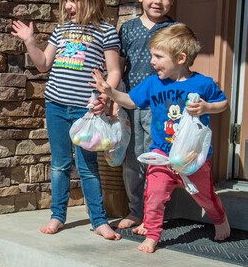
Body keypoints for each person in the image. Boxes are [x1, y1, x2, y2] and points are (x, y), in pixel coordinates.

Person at [91, 24, 231, 253]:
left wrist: (207, 107)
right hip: (161, 154)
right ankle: (153, 235)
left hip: (192, 156)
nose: (152, 61)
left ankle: (219, 219)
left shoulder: (203, 84)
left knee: (205, 197)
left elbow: (223, 104)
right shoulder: (153, 83)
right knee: (154, 195)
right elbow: (131, 101)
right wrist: (109, 92)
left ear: (181, 58)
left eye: (158, 56)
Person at [11, 0, 122, 240]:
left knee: (87, 167)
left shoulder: (106, 32)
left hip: (86, 112)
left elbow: (115, 71)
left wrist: (107, 96)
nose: (69, 6)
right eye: (66, 1)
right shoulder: (61, 30)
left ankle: (99, 220)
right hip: (56, 106)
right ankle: (57, 216)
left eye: (75, 0)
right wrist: (29, 42)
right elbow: (42, 64)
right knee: (60, 164)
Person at [117, 0, 178, 231]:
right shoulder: (128, 29)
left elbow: (182, 69)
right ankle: (135, 210)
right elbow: (118, 66)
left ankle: (157, 212)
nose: (158, 1)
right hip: (132, 103)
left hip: (162, 107)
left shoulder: (175, 30)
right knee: (133, 159)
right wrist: (112, 99)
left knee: (159, 158)